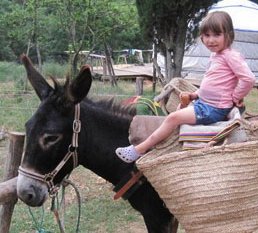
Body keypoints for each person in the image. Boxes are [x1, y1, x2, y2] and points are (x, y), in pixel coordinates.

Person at [116, 11, 256, 163]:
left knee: (173, 118)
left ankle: (139, 149)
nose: (211, 40)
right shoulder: (216, 55)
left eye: (216, 35)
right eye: (206, 35)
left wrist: (235, 97)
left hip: (213, 109)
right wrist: (196, 94)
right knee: (177, 111)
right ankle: (166, 142)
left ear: (228, 35)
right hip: (205, 103)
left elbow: (248, 78)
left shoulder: (230, 56)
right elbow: (213, 82)